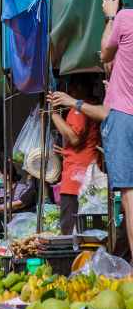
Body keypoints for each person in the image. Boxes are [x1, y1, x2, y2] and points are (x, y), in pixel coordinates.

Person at [49, 0, 133, 254]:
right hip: (83, 178)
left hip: (77, 180)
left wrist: (110, 15)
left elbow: (106, 52)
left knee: (129, 197)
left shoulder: (124, 19)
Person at [50, 79, 101, 235]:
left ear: (79, 86)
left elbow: (74, 138)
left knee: (70, 231)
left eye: (71, 86)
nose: (69, 90)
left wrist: (53, 115)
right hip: (87, 176)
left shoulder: (79, 109)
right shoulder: (92, 106)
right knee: (90, 231)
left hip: (76, 180)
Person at [0, 170, 37, 246]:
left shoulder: (22, 188)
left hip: (20, 220)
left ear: (7, 176)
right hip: (1, 220)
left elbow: (20, 204)